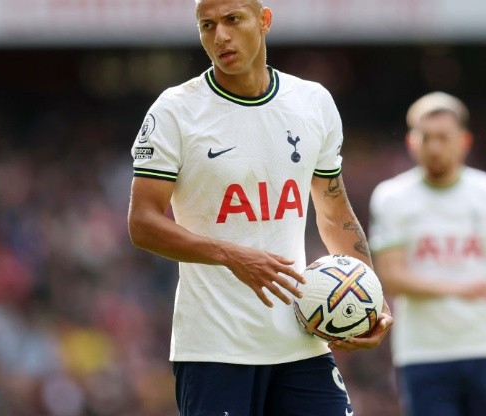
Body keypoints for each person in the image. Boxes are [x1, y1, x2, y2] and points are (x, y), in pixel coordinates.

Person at [127, 0, 393, 414]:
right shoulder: (175, 111)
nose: (220, 36)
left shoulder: (313, 102)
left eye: (232, 20)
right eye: (207, 25)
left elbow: (333, 211)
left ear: (264, 21)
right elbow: (142, 223)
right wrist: (231, 255)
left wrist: (370, 298)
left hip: (301, 340)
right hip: (215, 350)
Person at [368, 91, 486, 416]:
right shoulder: (391, 197)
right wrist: (462, 289)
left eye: (443, 137)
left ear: (464, 141)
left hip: (484, 345)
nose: (434, 147)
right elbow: (393, 277)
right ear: (411, 141)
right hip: (423, 353)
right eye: (425, 137)